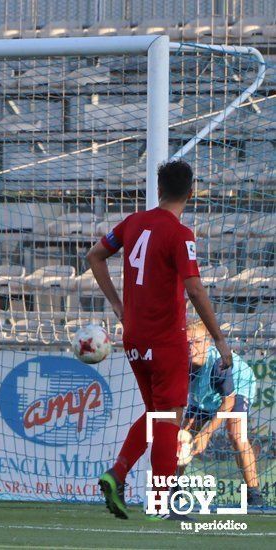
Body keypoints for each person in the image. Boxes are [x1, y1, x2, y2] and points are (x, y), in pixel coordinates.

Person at [86, 159, 232, 520]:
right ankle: (161, 502)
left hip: (135, 336)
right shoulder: (180, 234)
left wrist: (119, 306)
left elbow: (95, 255)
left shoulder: (133, 222)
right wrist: (220, 340)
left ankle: (118, 473)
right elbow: (195, 289)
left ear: (159, 189)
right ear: (192, 192)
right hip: (166, 339)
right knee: (168, 418)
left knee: (157, 414)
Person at [181, 320, 264, 506]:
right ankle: (173, 488)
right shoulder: (179, 363)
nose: (191, 347)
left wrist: (206, 434)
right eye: (187, 342)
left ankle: (254, 494)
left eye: (197, 342)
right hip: (203, 392)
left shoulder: (219, 363)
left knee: (236, 434)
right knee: (184, 437)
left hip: (238, 385)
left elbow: (228, 402)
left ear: (208, 343)